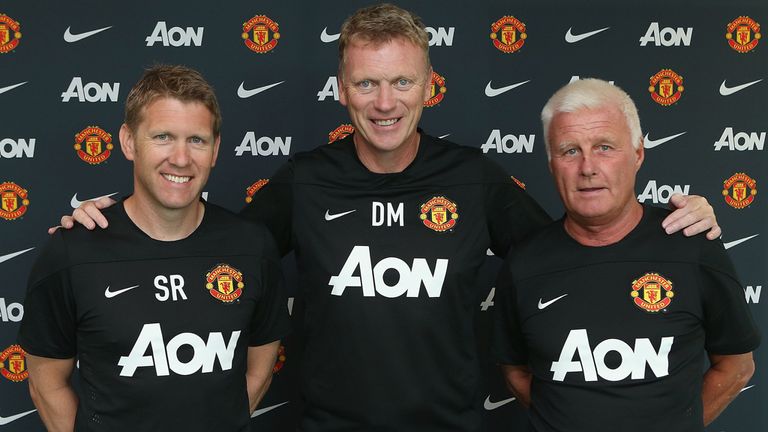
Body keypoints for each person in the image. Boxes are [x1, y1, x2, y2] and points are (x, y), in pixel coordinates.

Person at [56, 5, 721, 431]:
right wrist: (110, 222)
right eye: (367, 84)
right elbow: (213, 246)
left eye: (401, 82)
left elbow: (572, 248)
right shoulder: (307, 180)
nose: (384, 102)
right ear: (342, 90)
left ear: (428, 86)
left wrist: (675, 218)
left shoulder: (472, 176)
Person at [19, 65, 290, 432]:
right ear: (129, 142)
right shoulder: (73, 251)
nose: (180, 158)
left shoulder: (253, 246)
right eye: (163, 137)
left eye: (197, 140)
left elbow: (260, 370)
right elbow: (45, 382)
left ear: (215, 150)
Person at [492, 78, 760, 432]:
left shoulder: (691, 244)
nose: (587, 167)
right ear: (551, 162)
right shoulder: (524, 264)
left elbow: (737, 365)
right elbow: (515, 370)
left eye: (604, 147)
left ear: (637, 154)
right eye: (569, 150)